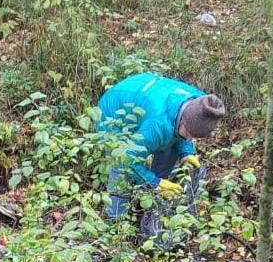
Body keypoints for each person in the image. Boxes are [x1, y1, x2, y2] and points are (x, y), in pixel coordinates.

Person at [96, 73, 226, 219]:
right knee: (121, 166)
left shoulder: (201, 103)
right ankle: (114, 218)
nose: (190, 139)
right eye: (189, 134)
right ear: (183, 121)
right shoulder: (157, 126)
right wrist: (154, 183)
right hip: (112, 113)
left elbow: (181, 132)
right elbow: (126, 159)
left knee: (171, 144)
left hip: (145, 98)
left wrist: (186, 152)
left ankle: (151, 202)